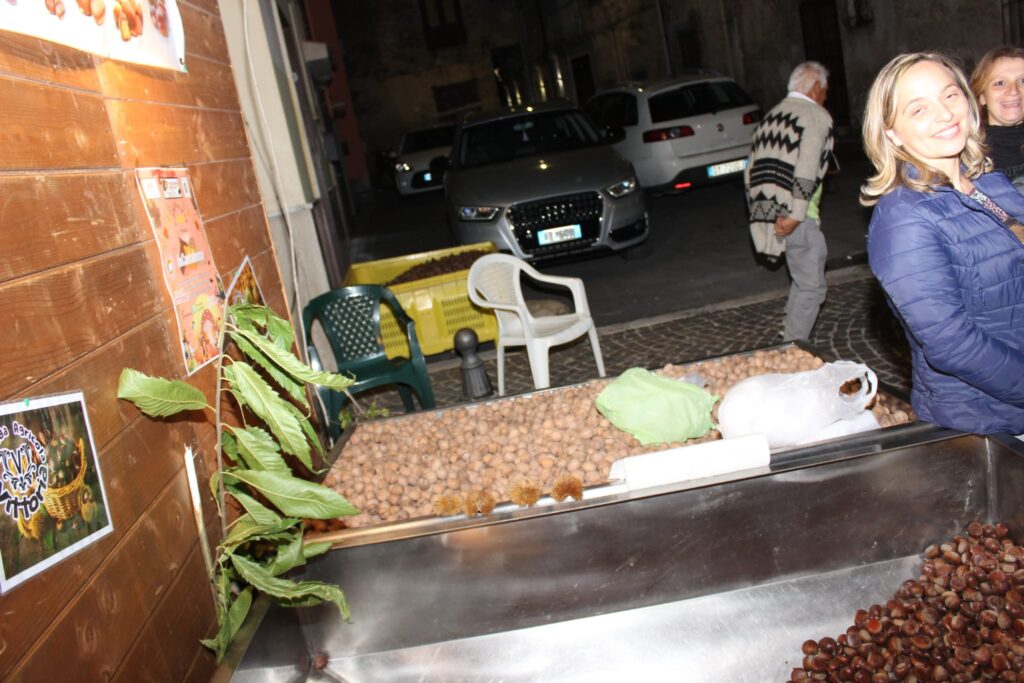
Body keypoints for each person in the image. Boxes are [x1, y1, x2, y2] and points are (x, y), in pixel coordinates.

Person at [861, 52, 1024, 435]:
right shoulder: (903, 216)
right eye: (919, 109)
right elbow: (952, 344)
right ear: (891, 132)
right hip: (991, 420)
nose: (945, 114)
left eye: (950, 95)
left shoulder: (986, 182)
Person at [744, 61, 835, 341]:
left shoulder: (770, 118)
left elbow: (749, 172)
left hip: (771, 212)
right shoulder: (815, 115)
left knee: (801, 277)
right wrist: (796, 214)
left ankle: (789, 329)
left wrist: (764, 215)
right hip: (799, 213)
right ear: (816, 87)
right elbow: (807, 167)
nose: (825, 97)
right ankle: (793, 347)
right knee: (812, 286)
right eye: (825, 91)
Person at [969, 46, 1024, 188]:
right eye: (1000, 83)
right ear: (982, 96)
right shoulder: (968, 157)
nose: (1013, 91)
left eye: (1023, 81)